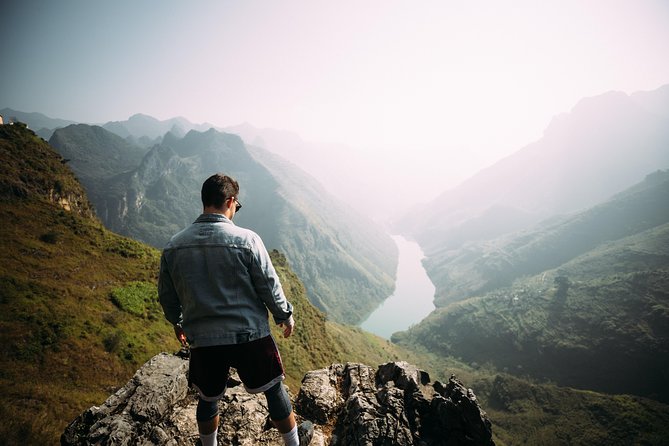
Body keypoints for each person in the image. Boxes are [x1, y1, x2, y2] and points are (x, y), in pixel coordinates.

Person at [158, 173, 312, 446]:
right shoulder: (247, 240)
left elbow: (167, 298)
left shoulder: (174, 246)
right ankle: (293, 443)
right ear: (230, 201)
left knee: (207, 397)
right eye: (236, 206)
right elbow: (268, 284)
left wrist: (179, 322)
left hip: (203, 339)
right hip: (249, 335)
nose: (235, 211)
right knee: (274, 387)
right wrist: (284, 315)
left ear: (205, 201)